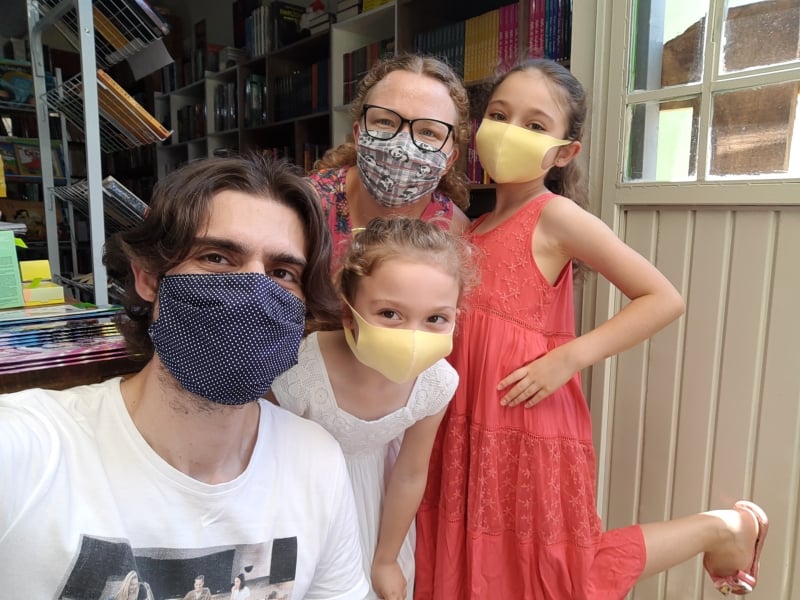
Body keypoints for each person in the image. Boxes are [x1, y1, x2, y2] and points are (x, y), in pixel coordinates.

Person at [415, 58, 769, 599]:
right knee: (476, 560)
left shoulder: (555, 216)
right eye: (499, 115)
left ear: (564, 152)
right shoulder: (474, 227)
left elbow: (663, 298)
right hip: (466, 423)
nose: (510, 132)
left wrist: (569, 358)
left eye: (535, 124)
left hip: (527, 420)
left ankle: (723, 528)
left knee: (563, 573)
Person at [0, 155, 369, 600]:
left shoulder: (316, 462)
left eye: (281, 273)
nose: (255, 293)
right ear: (148, 278)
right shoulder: (28, 451)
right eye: (217, 257)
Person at [271, 217, 477, 600]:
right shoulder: (298, 371)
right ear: (348, 312)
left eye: (435, 318)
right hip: (304, 508)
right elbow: (267, 464)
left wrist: (386, 559)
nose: (413, 336)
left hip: (381, 517)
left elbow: (410, 474)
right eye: (390, 314)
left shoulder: (437, 383)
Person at [309, 53, 472, 271]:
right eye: (385, 121)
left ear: (450, 159)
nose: (402, 145)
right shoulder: (307, 205)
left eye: (428, 132)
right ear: (358, 134)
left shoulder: (456, 233)